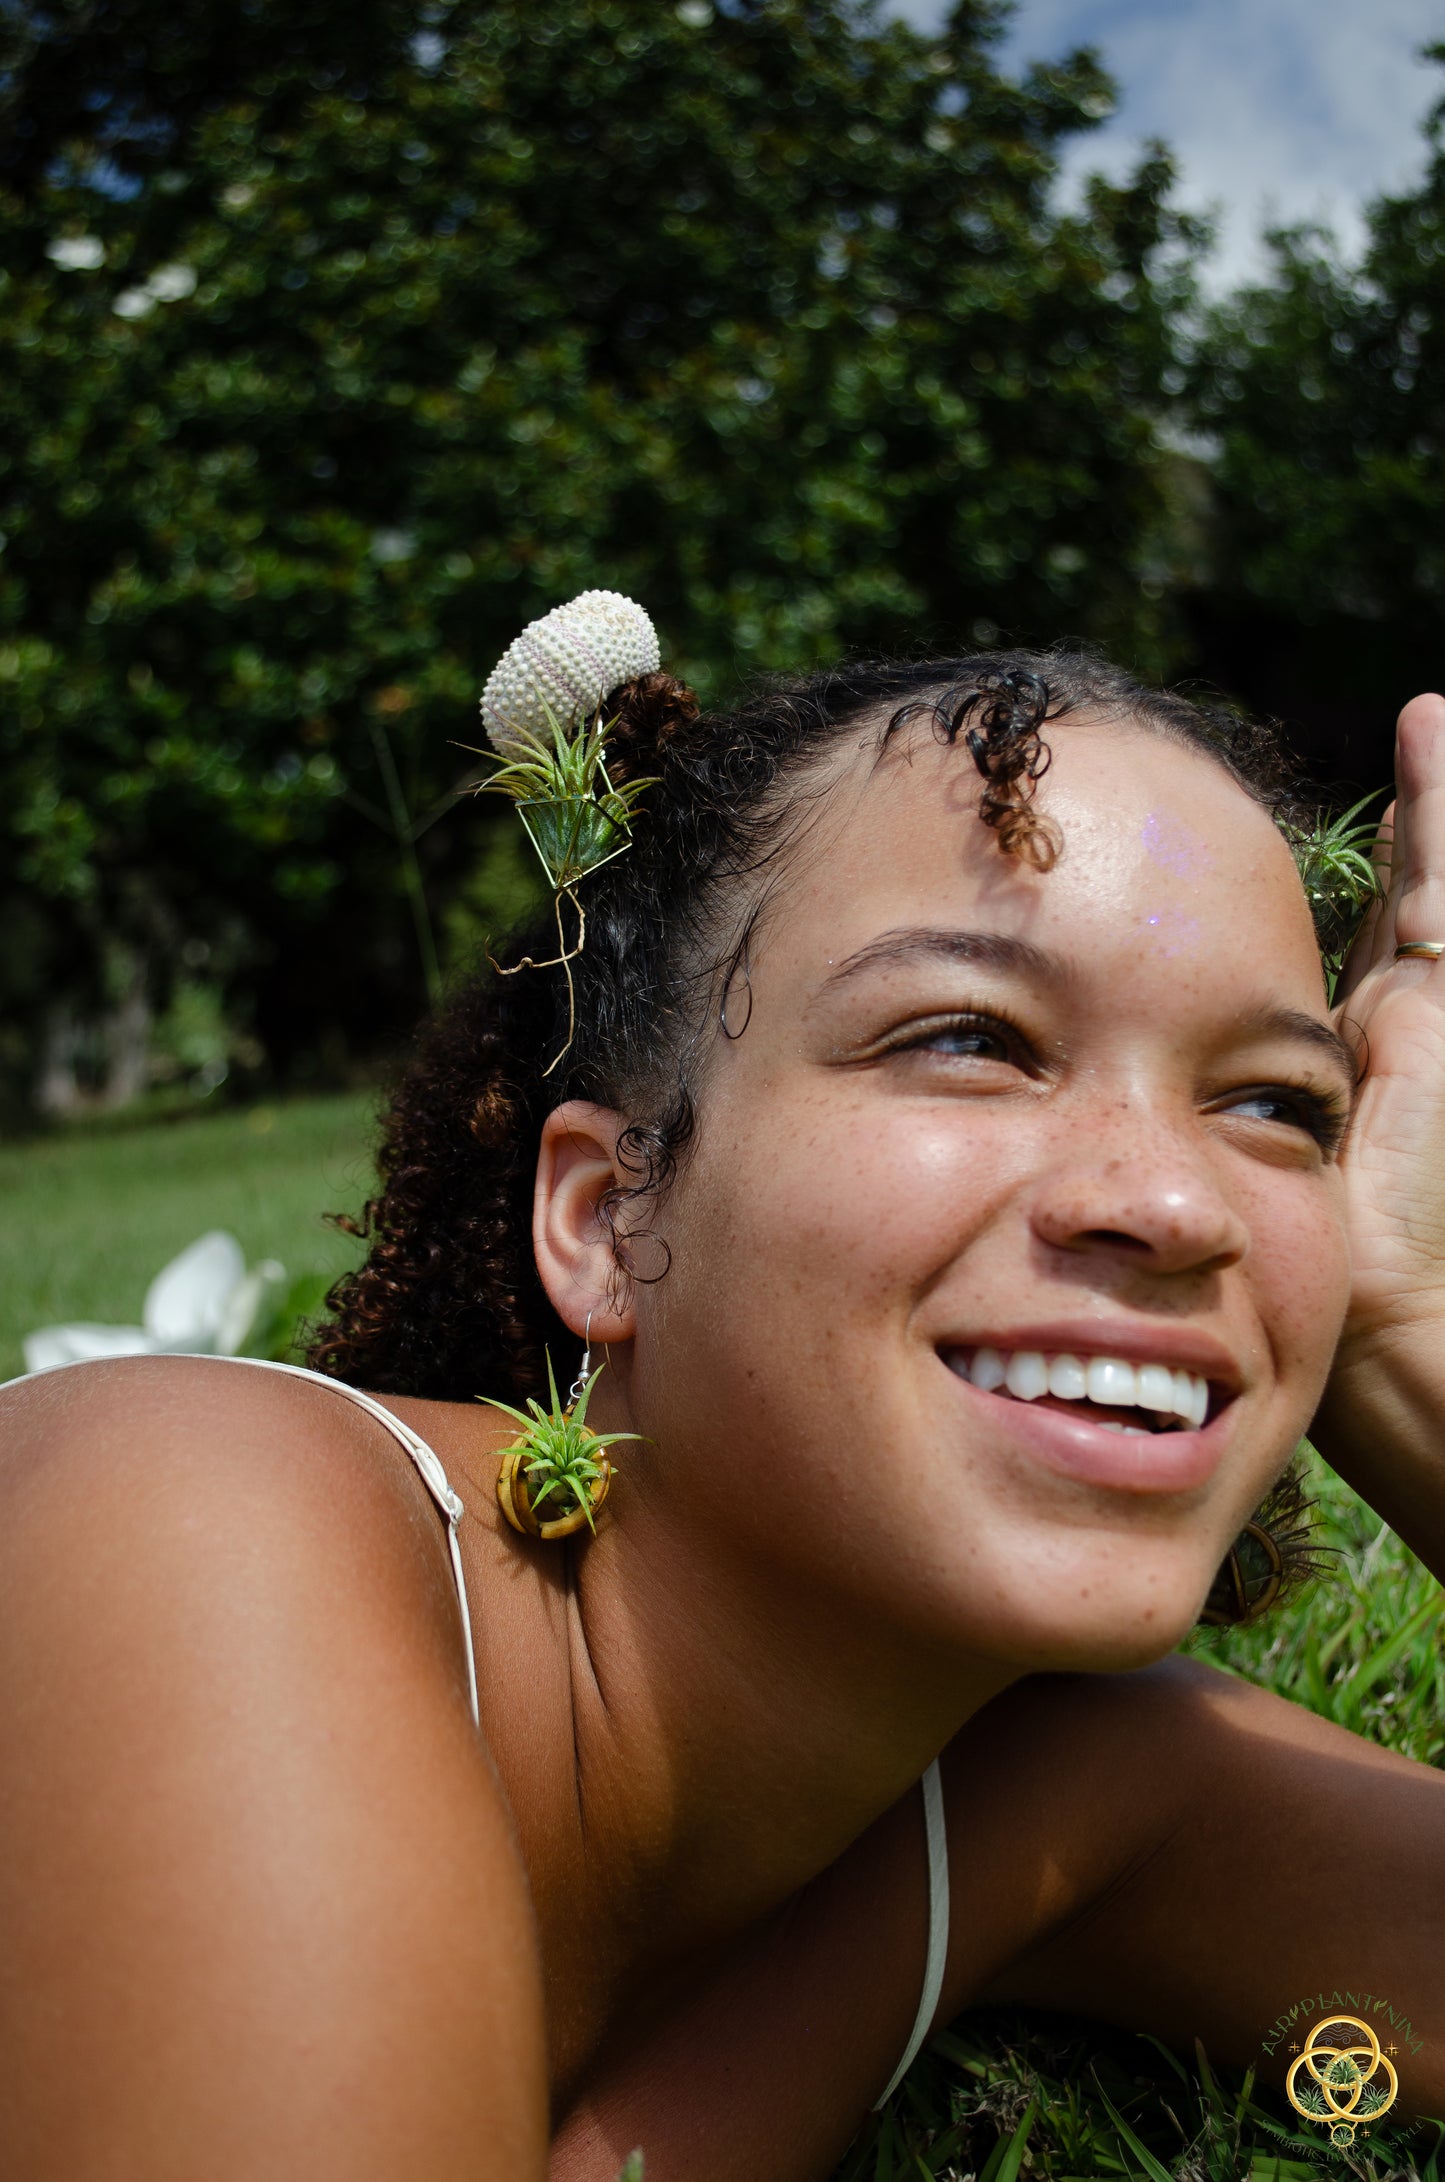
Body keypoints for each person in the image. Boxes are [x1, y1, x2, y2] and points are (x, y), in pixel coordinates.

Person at [2, 608, 1443, 2182]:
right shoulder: (187, 1526)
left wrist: (1401, 1334)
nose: (1171, 1204)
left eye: (1275, 1102)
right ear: (608, 1217)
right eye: (970, 1037)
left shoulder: (1043, 1788)